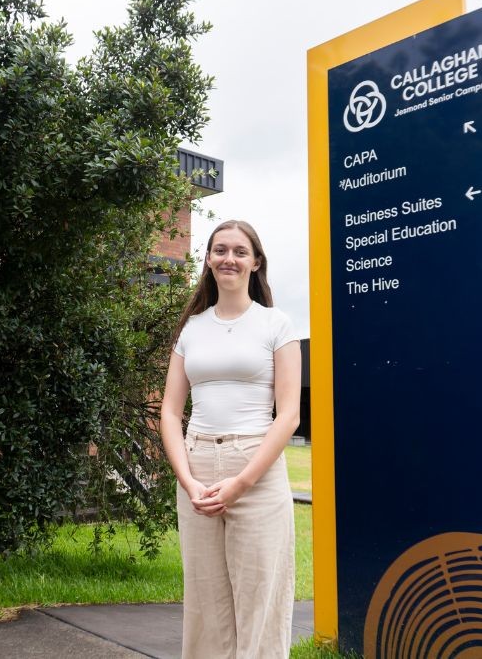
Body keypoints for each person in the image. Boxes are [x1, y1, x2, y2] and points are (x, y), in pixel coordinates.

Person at [160, 219, 302, 658]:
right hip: (198, 465)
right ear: (207, 259)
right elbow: (169, 410)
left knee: (261, 598)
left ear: (256, 262)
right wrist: (187, 480)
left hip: (254, 467)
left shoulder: (276, 324)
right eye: (220, 250)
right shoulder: (192, 329)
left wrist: (240, 483)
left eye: (240, 252)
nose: (229, 259)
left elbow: (290, 414)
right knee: (206, 603)